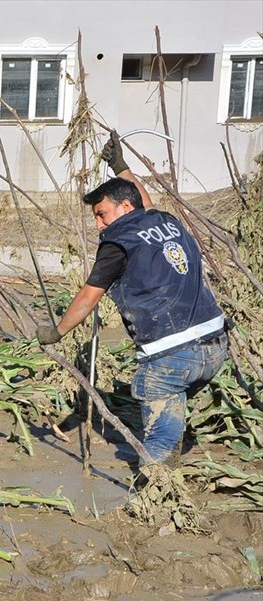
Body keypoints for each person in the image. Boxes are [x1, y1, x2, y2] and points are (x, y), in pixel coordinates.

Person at [36, 131, 228, 469]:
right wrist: (121, 167)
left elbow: (88, 296)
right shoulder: (163, 221)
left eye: (102, 214)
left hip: (171, 355)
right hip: (215, 345)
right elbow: (144, 201)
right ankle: (171, 444)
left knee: (160, 437)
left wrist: (57, 332)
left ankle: (155, 495)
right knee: (172, 409)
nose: (98, 225)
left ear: (125, 208)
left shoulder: (117, 242)